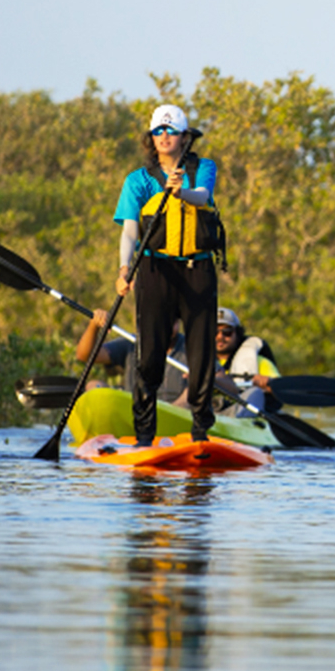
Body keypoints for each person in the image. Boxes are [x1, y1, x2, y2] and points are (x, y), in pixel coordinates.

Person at [113, 104, 223, 446]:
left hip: (197, 270)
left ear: (185, 137)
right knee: (149, 357)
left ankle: (200, 432)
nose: (164, 137)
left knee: (202, 354)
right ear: (151, 138)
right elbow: (130, 231)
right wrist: (123, 268)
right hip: (154, 269)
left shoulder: (202, 168)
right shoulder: (139, 180)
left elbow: (203, 197)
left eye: (171, 131)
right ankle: (145, 436)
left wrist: (181, 193)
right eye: (158, 132)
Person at [73, 309, 185, 399]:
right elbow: (85, 356)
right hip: (134, 415)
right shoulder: (131, 343)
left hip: (174, 418)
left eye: (173, 321)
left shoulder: (191, 347)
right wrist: (94, 326)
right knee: (93, 386)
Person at [208, 307, 281, 413]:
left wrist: (268, 384)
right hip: (208, 411)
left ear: (237, 333)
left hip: (240, 415)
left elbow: (280, 390)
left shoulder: (259, 362)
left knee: (255, 392)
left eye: (227, 332)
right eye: (214, 332)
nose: (220, 337)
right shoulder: (191, 360)